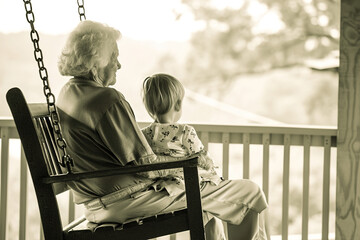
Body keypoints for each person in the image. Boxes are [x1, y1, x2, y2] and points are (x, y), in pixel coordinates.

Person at [56, 20, 269, 240]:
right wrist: (190, 165)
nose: (118, 65)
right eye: (114, 57)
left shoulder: (68, 93)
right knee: (249, 193)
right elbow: (146, 166)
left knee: (212, 209)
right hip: (125, 201)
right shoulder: (107, 100)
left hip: (99, 202)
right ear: (95, 62)